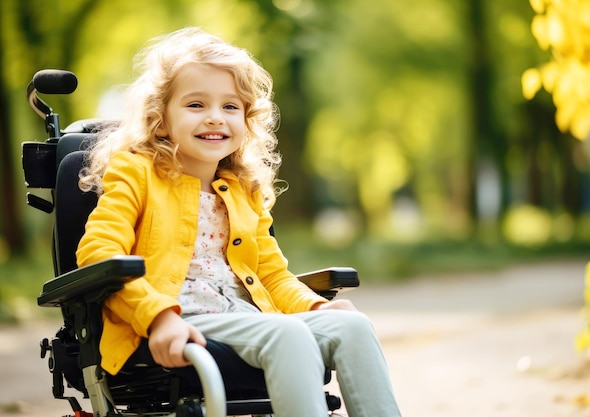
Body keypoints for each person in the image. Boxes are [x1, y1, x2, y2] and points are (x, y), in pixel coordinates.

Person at [76, 26, 402, 417]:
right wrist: (159, 317)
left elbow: (272, 276)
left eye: (230, 107)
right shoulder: (136, 173)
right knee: (288, 333)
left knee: (353, 327)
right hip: (179, 316)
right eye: (196, 105)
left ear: (247, 120)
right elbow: (98, 253)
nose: (215, 118)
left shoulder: (242, 189)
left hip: (247, 318)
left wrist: (315, 307)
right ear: (160, 119)